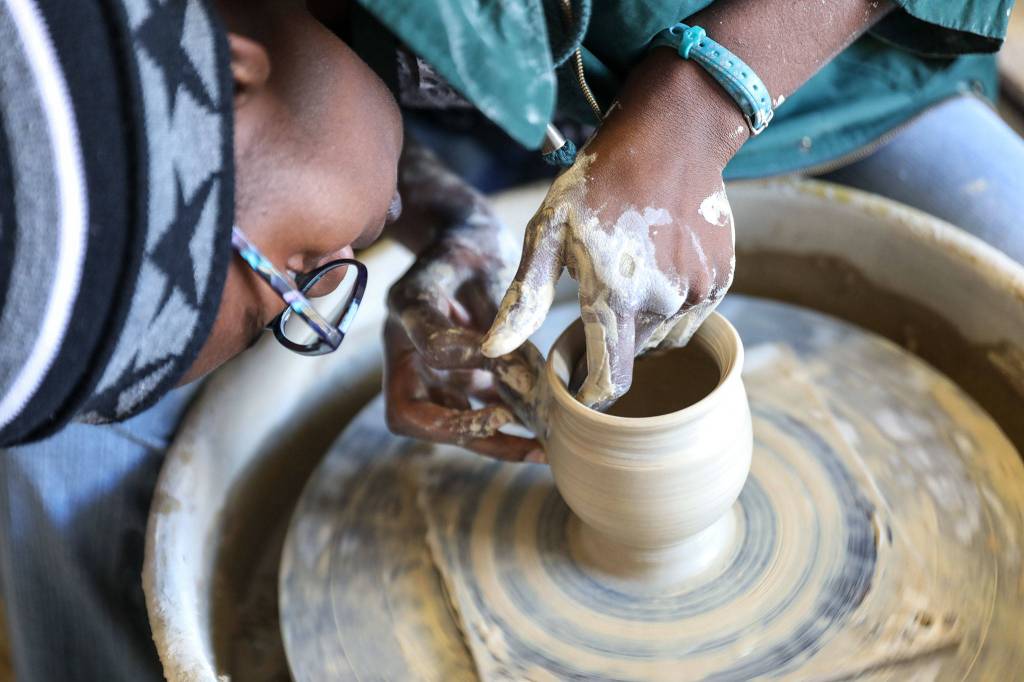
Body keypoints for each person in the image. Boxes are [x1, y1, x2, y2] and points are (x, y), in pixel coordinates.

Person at [0, 0, 1019, 679]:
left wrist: (697, 107)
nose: (335, 301)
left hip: (800, 53)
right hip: (437, 103)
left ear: (230, 68)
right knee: (65, 463)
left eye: (296, 273)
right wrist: (422, 215)